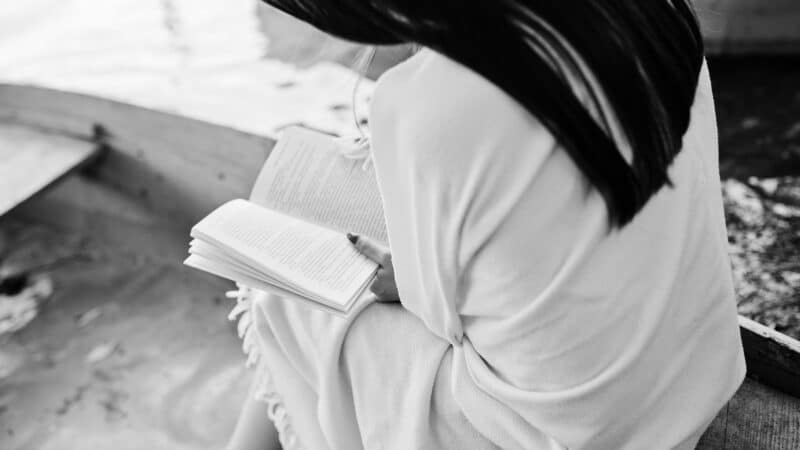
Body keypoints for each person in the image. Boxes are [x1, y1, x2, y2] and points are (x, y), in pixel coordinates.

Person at [226, 2, 746, 449]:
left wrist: (404, 275)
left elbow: (443, 320)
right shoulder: (653, 11)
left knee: (280, 301)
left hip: (560, 437)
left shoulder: (425, 99)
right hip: (690, 391)